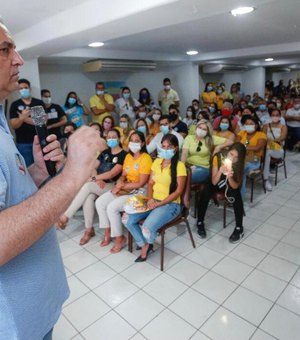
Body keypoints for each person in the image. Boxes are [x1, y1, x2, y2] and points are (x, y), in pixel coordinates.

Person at [0, 21, 102, 340]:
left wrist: (38, 173)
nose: (19, 59)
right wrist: (72, 175)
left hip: (36, 311)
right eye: (5, 49)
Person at [57, 129, 127, 245]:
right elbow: (92, 166)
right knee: (88, 196)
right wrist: (97, 178)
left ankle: (66, 216)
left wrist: (95, 179)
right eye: (109, 137)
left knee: (88, 186)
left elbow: (112, 174)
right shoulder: (105, 152)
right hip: (101, 184)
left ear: (119, 138)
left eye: (114, 137)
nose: (111, 139)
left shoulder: (123, 154)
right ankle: (89, 229)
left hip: (113, 186)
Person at [125, 134, 187, 262]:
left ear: (175, 148)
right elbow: (151, 183)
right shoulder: (157, 162)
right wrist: (150, 199)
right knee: (127, 219)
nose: (165, 149)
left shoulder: (179, 166)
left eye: (169, 147)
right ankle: (145, 244)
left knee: (147, 228)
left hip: (170, 204)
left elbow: (178, 191)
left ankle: (146, 246)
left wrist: (159, 204)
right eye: (163, 146)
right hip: (153, 201)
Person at [95, 131, 152, 253]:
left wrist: (121, 186)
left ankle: (119, 238)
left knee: (112, 207)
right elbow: (123, 174)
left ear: (142, 143)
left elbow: (141, 183)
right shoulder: (128, 157)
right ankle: (108, 232)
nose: (134, 143)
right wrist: (120, 181)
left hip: (140, 193)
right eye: (132, 141)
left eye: (137, 141)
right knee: (100, 202)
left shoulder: (146, 158)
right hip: (126, 189)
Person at [196, 143, 246, 241]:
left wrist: (230, 176)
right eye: (231, 154)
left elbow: (235, 186)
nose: (232, 158)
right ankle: (200, 222)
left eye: (236, 157)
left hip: (229, 184)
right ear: (228, 151)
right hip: (217, 180)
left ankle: (239, 228)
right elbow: (214, 181)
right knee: (206, 190)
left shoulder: (240, 164)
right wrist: (220, 170)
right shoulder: (218, 157)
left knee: (236, 194)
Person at [181, 119, 233, 184]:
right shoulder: (189, 138)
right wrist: (181, 167)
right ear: (196, 127)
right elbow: (184, 153)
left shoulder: (211, 139)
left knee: (186, 178)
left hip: (203, 168)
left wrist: (219, 147)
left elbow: (230, 142)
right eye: (199, 128)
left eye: (204, 129)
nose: (201, 130)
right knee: (178, 176)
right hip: (188, 166)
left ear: (208, 131)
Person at [9, 78, 44, 166]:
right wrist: (22, 119)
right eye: (21, 88)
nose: (24, 90)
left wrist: (23, 118)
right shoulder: (15, 105)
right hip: (22, 143)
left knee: (43, 167)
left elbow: (41, 122)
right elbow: (14, 125)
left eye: (25, 87)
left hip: (39, 140)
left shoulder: (38, 103)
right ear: (18, 90)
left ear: (30, 88)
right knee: (27, 169)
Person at [237, 115, 267, 198]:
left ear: (256, 125)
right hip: (240, 159)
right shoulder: (242, 133)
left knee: (240, 169)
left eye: (251, 124)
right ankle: (251, 170)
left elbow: (257, 148)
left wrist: (244, 147)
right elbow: (236, 144)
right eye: (247, 124)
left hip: (254, 160)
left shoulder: (261, 135)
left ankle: (239, 196)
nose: (248, 125)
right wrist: (246, 147)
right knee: (238, 168)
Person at [262, 109, 287, 191]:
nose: (275, 117)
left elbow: (281, 138)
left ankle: (266, 179)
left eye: (277, 115)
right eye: (273, 115)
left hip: (278, 150)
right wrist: (268, 141)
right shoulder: (266, 126)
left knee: (267, 153)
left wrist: (270, 141)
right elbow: (263, 138)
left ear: (280, 117)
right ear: (270, 116)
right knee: (266, 152)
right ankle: (258, 173)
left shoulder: (283, 127)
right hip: (267, 148)